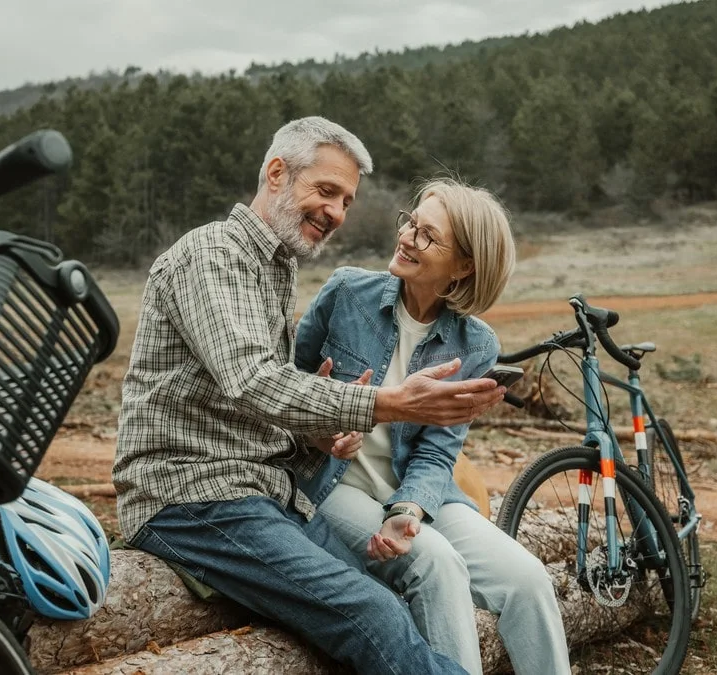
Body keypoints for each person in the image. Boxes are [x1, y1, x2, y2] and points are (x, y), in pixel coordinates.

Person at [112, 117, 507, 674]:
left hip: (259, 493)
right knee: (373, 614)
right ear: (277, 173)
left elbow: (250, 409)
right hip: (191, 496)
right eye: (326, 190)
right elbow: (252, 381)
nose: (337, 212)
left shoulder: (273, 268)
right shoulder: (212, 255)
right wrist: (389, 403)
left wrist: (316, 436)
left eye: (346, 201)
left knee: (385, 599)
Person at [295, 178, 571, 674]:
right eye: (411, 223)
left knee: (529, 579)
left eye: (427, 236)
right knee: (435, 563)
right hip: (333, 484)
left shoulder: (477, 344)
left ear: (463, 266)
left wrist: (408, 509)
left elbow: (438, 452)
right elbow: (286, 383)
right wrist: (322, 417)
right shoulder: (346, 292)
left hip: (419, 491)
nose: (406, 238)